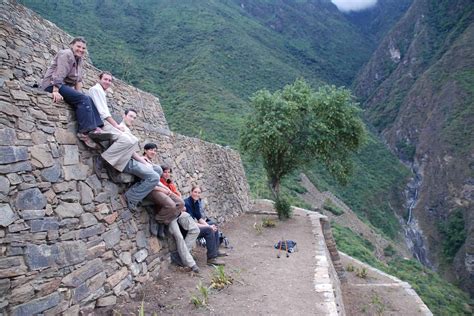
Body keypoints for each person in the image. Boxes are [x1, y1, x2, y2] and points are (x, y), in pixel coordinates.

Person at [40, 37, 110, 148]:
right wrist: (55, 90)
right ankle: (84, 132)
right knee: (84, 99)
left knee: (87, 98)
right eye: (78, 46)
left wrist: (80, 95)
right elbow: (59, 73)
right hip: (52, 85)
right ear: (72, 45)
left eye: (83, 48)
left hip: (63, 86)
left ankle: (97, 127)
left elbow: (78, 80)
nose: (81, 49)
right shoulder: (66, 54)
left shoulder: (79, 60)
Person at [143, 143, 200, 272]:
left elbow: (175, 191)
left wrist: (178, 200)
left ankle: (183, 255)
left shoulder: (168, 181)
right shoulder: (159, 181)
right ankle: (190, 263)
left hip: (178, 211)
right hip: (169, 213)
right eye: (165, 172)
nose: (167, 174)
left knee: (195, 229)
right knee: (178, 237)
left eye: (168, 172)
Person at [88, 72, 138, 175]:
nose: (108, 82)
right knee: (126, 140)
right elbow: (103, 113)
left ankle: (115, 164)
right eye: (105, 79)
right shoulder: (96, 90)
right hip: (100, 123)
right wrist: (116, 125)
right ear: (99, 79)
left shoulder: (101, 91)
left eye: (110, 80)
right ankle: (102, 159)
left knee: (134, 140)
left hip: (103, 122)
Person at [117, 109, 160, 211]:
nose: (132, 119)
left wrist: (142, 160)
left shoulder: (126, 129)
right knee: (154, 177)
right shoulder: (122, 128)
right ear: (124, 115)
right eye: (130, 116)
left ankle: (140, 193)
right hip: (124, 160)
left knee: (157, 169)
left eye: (134, 117)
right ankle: (131, 197)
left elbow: (131, 151)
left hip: (129, 158)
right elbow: (130, 152)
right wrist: (143, 161)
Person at [185, 186, 227, 266]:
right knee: (209, 230)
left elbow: (199, 218)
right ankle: (211, 258)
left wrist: (209, 225)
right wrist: (208, 227)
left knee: (213, 225)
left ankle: (215, 250)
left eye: (198, 192)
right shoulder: (187, 203)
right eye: (195, 192)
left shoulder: (196, 202)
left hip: (193, 227)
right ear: (191, 192)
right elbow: (191, 223)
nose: (197, 194)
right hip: (189, 229)